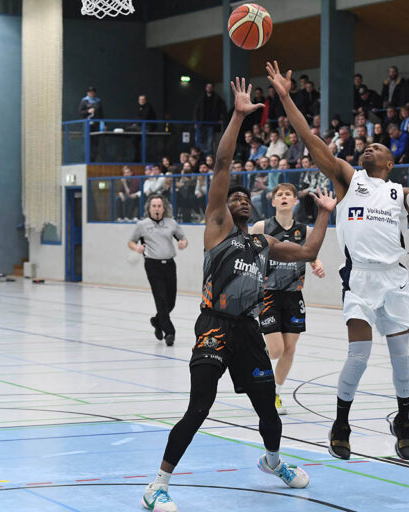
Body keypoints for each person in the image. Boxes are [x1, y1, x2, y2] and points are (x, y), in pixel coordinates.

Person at [142, 79, 336, 512]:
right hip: (215, 323)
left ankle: (273, 462)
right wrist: (239, 114)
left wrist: (323, 214)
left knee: (268, 409)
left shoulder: (263, 244)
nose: (242, 200)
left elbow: (307, 251)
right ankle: (158, 486)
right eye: (236, 198)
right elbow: (224, 162)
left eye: (247, 198)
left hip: (249, 328)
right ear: (224, 207)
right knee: (199, 407)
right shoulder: (217, 228)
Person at [267, 60, 409, 462]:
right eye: (368, 144)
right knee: (358, 356)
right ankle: (341, 423)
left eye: (377, 146)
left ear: (390, 162)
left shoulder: (397, 192)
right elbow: (310, 140)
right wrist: (286, 96)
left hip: (394, 280)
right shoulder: (348, 178)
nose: (370, 146)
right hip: (359, 279)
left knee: (399, 358)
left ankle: (404, 422)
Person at [251, 183, 325, 415]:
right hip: (268, 294)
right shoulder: (261, 227)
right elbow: (248, 254)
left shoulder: (306, 231)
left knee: (289, 349)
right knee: (275, 350)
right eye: (279, 195)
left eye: (288, 195)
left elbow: (312, 255)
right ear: (273, 202)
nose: (283, 197)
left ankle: (275, 394)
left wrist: (317, 264)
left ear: (295, 201)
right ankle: (250, 366)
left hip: (294, 294)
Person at [128, 195, 187, 347]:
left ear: (164, 208)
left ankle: (157, 321)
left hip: (169, 264)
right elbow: (131, 241)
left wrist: (183, 243)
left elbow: (183, 238)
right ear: (149, 208)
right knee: (161, 299)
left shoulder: (171, 223)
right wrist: (137, 248)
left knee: (171, 302)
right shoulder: (142, 225)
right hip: (152, 265)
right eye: (154, 206)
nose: (156, 209)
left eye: (159, 206)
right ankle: (170, 332)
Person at [79, 86, 104, 162]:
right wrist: (88, 111)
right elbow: (80, 112)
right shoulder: (84, 101)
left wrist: (103, 124)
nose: (91, 93)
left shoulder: (98, 101)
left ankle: (94, 158)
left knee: (95, 142)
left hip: (96, 124)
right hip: (87, 124)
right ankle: (86, 158)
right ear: (88, 93)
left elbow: (102, 114)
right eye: (90, 92)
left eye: (92, 92)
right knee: (87, 141)